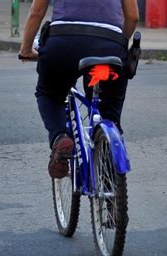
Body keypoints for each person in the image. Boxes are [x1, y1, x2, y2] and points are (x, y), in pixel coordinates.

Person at [19, 0, 139, 178]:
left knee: (49, 94)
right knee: (108, 112)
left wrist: (26, 49)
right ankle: (110, 184)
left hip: (62, 44)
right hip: (109, 46)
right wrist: (118, 43)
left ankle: (60, 137)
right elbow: (133, 17)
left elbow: (37, 12)